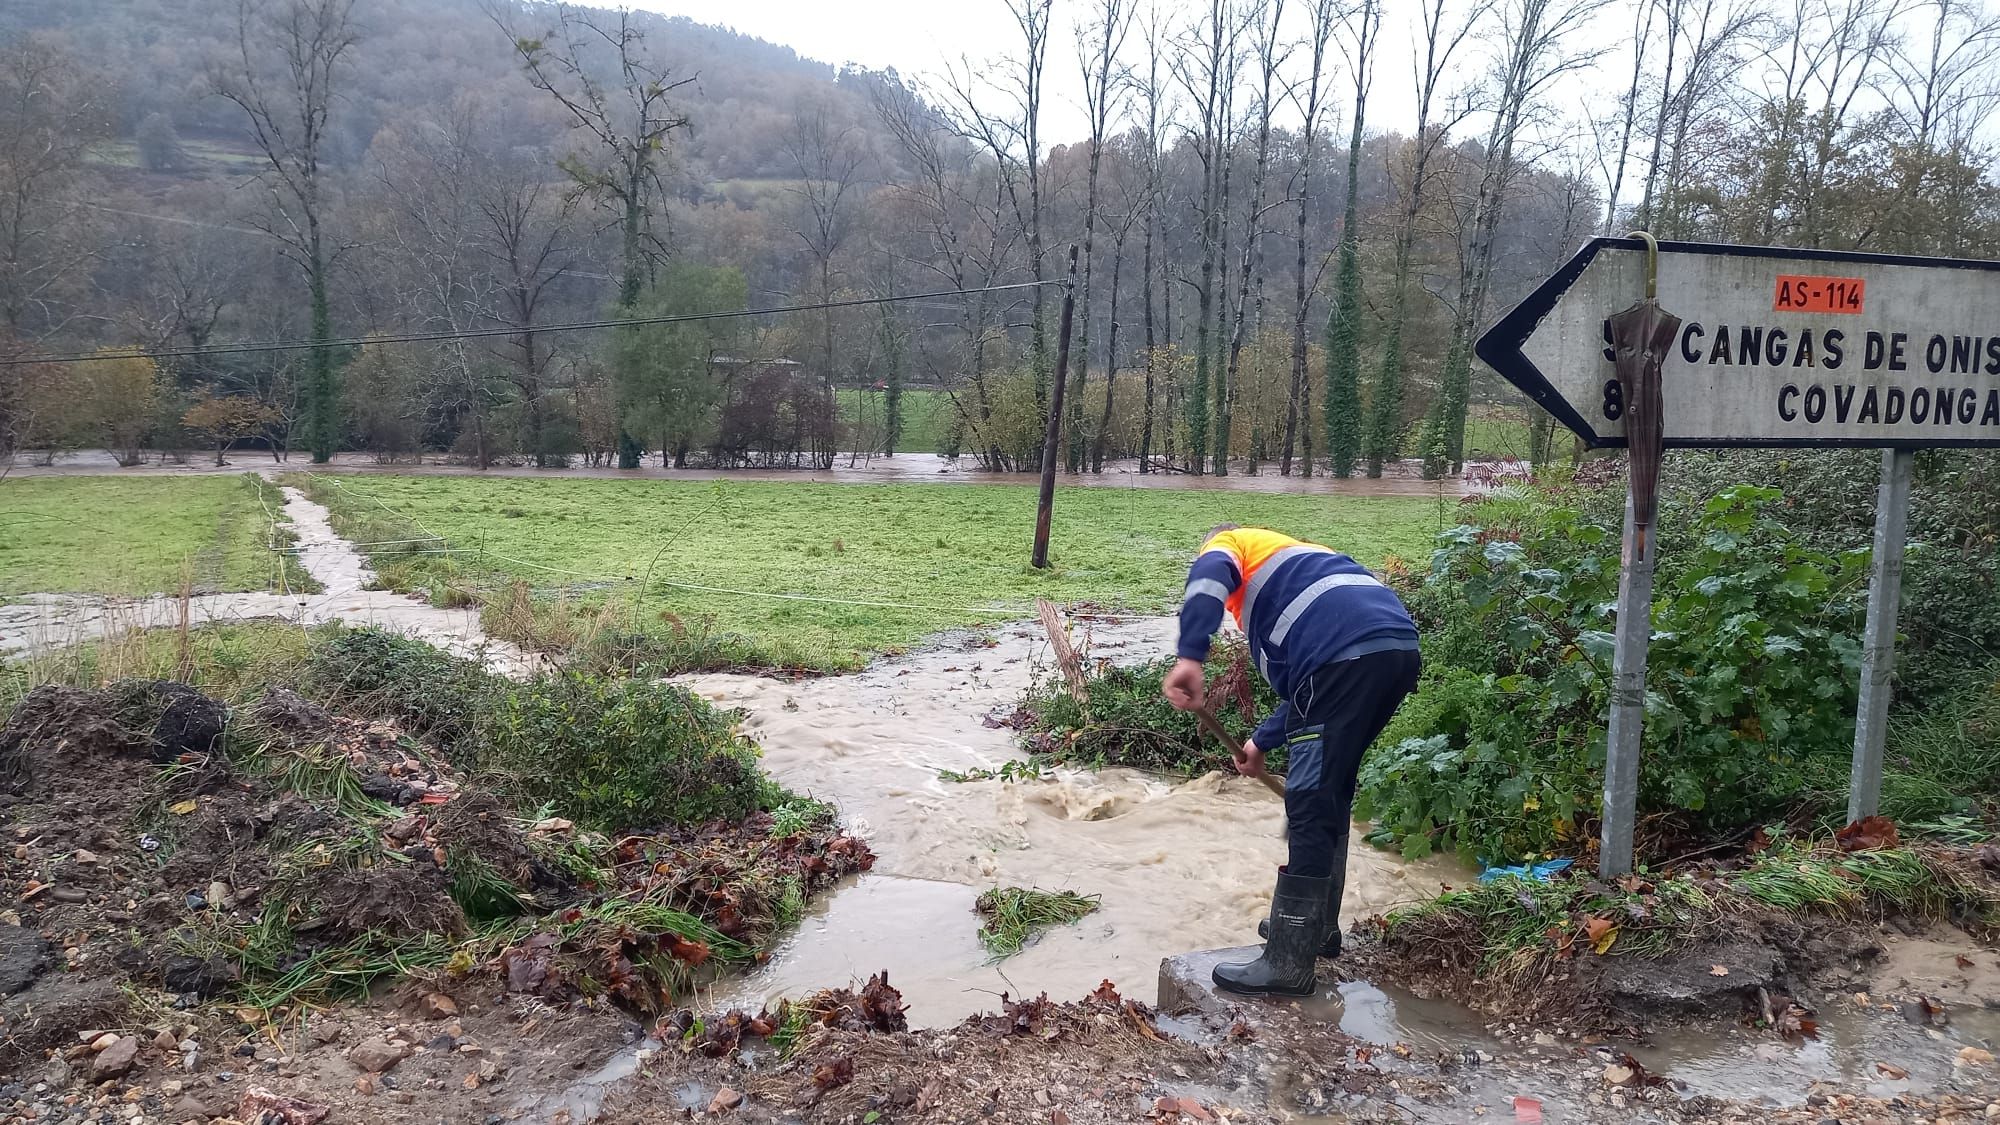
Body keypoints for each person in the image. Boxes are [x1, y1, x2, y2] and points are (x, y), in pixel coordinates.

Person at [1162, 524, 1420, 997]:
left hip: (1342, 656)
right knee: (1331, 788)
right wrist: (1260, 743)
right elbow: (1308, 693)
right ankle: (1317, 929)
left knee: (1307, 799)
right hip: (1396, 649)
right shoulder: (1299, 560)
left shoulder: (1232, 546)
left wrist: (1190, 655)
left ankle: (1288, 963)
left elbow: (1207, 577)